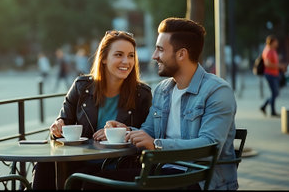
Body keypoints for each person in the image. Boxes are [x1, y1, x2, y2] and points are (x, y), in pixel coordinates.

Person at [102, 17, 238, 190]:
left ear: (181, 54)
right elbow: (149, 132)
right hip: (162, 171)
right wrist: (126, 131)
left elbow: (210, 146)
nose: (154, 56)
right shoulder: (162, 90)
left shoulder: (217, 91)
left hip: (199, 180)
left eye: (160, 49)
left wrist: (157, 145)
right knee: (88, 178)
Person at [32, 30, 153, 190]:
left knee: (83, 179)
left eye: (131, 55)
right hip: (80, 160)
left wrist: (123, 133)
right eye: (118, 55)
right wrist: (56, 129)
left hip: (118, 166)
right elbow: (62, 125)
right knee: (44, 164)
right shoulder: (81, 86)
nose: (126, 61)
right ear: (103, 58)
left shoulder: (142, 94)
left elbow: (149, 134)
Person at [260, 35, 283, 117]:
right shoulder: (268, 50)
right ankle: (270, 110)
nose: (277, 43)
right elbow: (267, 64)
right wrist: (279, 66)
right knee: (275, 93)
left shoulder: (273, 50)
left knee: (275, 93)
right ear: (272, 42)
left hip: (274, 74)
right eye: (276, 42)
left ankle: (265, 107)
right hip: (270, 74)